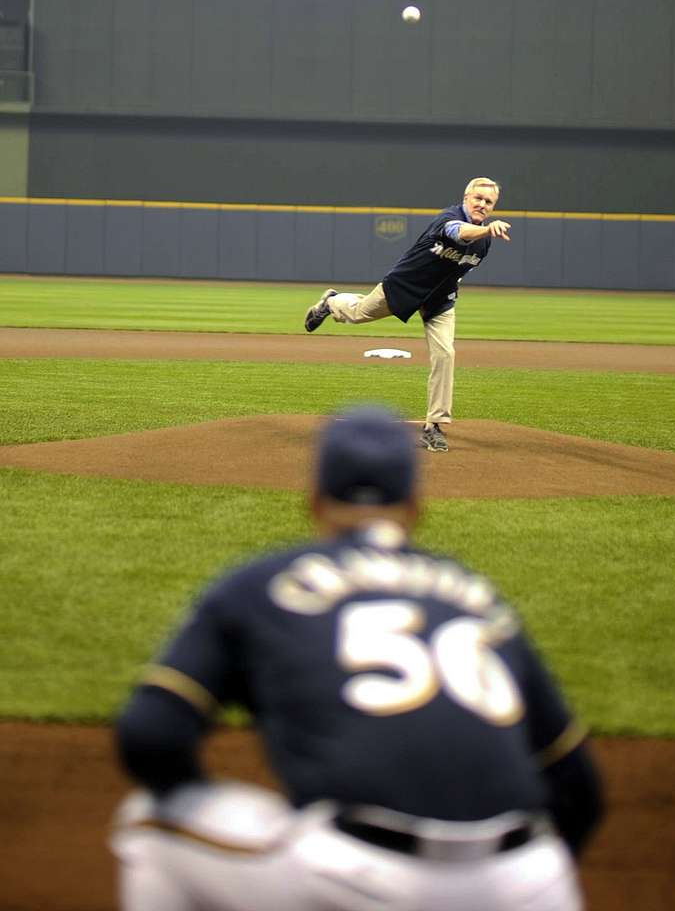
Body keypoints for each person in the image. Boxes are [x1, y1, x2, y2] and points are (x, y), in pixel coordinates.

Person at [110, 406, 604, 911]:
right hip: (527, 881)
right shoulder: (476, 596)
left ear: (315, 501)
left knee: (148, 818)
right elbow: (580, 790)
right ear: (414, 506)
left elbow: (149, 736)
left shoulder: (260, 584)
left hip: (357, 877)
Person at [303, 178, 511, 453]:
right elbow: (457, 232)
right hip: (405, 286)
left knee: (445, 354)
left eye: (488, 202)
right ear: (466, 198)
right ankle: (331, 303)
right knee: (359, 312)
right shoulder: (449, 218)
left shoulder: (485, 243)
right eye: (478, 198)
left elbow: (459, 269)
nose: (482, 205)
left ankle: (433, 426)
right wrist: (485, 232)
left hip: (440, 301)